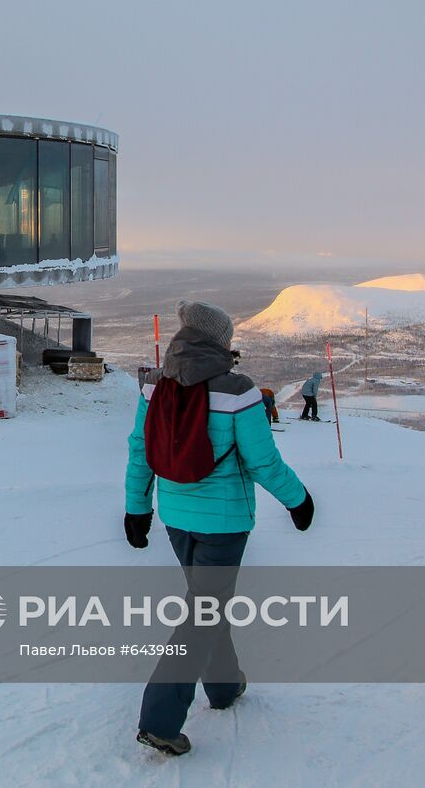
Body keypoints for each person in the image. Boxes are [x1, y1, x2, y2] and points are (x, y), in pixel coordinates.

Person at [124, 300, 314, 759]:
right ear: (219, 342)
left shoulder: (155, 386)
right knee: (203, 613)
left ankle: (225, 687)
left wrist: (137, 509)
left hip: (175, 517)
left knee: (205, 605)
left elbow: (139, 449)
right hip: (224, 524)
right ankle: (160, 720)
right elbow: (263, 461)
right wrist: (299, 499)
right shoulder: (239, 391)